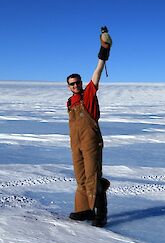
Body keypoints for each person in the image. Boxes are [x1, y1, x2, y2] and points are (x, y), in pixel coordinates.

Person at [66, 26, 112, 227]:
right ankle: (84, 209)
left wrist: (104, 49)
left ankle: (100, 214)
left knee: (93, 176)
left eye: (77, 83)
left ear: (82, 82)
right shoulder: (70, 102)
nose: (75, 86)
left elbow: (98, 70)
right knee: (81, 177)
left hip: (91, 141)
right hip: (76, 143)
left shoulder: (89, 94)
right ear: (68, 86)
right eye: (72, 84)